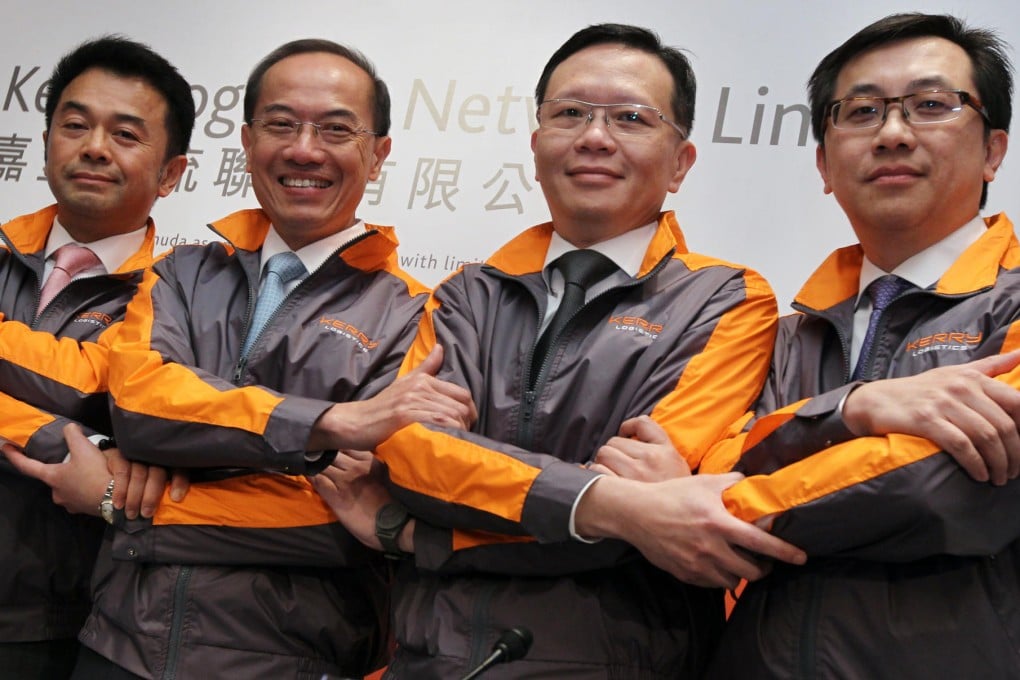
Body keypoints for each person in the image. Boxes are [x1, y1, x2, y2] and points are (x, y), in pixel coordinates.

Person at [314, 23, 805, 679]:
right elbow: (413, 456)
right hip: (432, 657)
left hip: (618, 659)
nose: (594, 137)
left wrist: (415, 533)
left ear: (681, 162)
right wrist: (612, 508)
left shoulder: (727, 298)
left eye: (630, 117)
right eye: (570, 113)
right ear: (537, 141)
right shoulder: (467, 294)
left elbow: (662, 513)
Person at [56, 39, 474, 679]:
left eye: (336, 129)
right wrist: (327, 424)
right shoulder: (181, 274)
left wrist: (124, 503)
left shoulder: (418, 319)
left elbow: (344, 519)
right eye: (281, 124)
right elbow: (138, 407)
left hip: (293, 661)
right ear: (248, 141)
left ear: (379, 153)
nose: (304, 149)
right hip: (116, 647)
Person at [698, 13, 1020, 678]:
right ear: (823, 163)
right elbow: (708, 461)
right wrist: (855, 410)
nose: (894, 133)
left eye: (932, 105)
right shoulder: (782, 329)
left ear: (994, 150)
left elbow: (929, 490)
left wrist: (710, 511)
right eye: (863, 111)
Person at [0, 36, 193, 680]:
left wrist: (114, 440)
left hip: (60, 625)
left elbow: (143, 429)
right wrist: (89, 443)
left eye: (126, 134)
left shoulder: (181, 301)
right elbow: (101, 443)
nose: (93, 147)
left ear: (171, 173)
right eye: (75, 125)